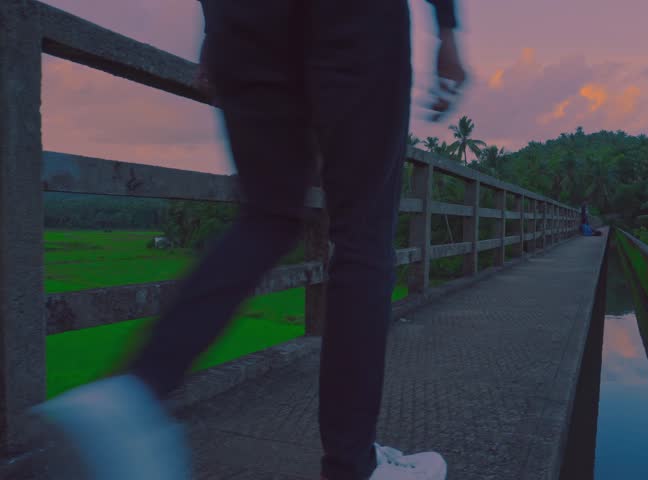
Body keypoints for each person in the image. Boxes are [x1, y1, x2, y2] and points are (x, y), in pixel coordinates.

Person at [29, 1, 466, 479]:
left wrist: (217, 32)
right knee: (362, 235)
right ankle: (352, 467)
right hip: (352, 17)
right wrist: (447, 27)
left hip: (243, 18)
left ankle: (132, 391)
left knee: (267, 216)